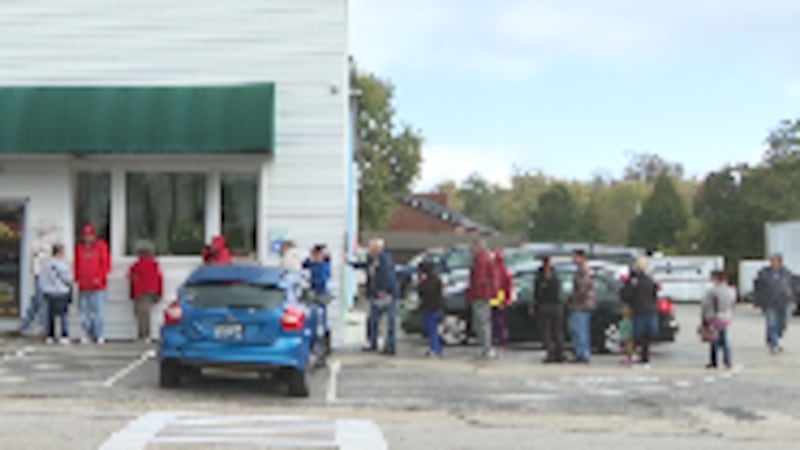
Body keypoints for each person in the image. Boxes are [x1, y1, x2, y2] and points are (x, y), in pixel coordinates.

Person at [351, 238, 399, 355]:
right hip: (376, 294)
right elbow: (364, 265)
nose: (369, 250)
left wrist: (384, 289)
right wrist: (350, 262)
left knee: (389, 321)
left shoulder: (384, 259)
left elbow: (387, 275)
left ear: (378, 249)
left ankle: (390, 346)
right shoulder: (372, 259)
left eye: (371, 248)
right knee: (372, 320)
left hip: (388, 294)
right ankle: (373, 343)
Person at [75, 223, 111, 345]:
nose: (87, 238)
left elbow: (106, 265)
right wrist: (77, 278)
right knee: (84, 314)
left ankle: (99, 334)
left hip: (98, 287)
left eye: (90, 235)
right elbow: (77, 264)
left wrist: (100, 278)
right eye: (85, 235)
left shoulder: (101, 246)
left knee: (98, 313)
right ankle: (88, 333)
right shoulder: (79, 248)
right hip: (83, 286)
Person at [754, 254, 795, 354]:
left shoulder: (786, 273)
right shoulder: (764, 273)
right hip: (769, 302)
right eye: (772, 261)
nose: (774, 263)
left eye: (776, 261)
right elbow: (758, 288)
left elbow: (792, 285)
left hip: (785, 301)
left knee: (782, 323)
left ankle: (773, 337)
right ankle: (774, 345)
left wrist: (793, 298)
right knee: (772, 323)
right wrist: (757, 300)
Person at [620, 257, 659, 365]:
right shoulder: (649, 281)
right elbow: (654, 295)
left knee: (639, 334)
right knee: (646, 334)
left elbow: (625, 295)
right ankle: (643, 355)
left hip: (639, 310)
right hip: (648, 310)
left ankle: (637, 355)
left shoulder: (634, 281)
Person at [467, 239, 497, 359]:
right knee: (480, 322)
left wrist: (477, 293)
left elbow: (480, 279)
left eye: (472, 247)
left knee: (483, 322)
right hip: (481, 294)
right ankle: (485, 347)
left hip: (481, 295)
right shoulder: (481, 259)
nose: (470, 249)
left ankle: (487, 348)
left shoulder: (482, 260)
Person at [128, 242, 163, 342]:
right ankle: (144, 335)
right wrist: (159, 293)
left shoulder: (139, 265)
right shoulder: (154, 265)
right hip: (148, 292)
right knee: (143, 313)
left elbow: (131, 276)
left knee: (142, 314)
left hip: (142, 293)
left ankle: (144, 335)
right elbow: (159, 280)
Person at [39, 244, 73, 345]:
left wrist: (44, 290)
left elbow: (42, 279)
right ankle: (64, 335)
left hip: (50, 292)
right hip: (62, 291)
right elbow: (69, 279)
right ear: (59, 252)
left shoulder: (46, 265)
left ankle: (50, 335)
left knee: (50, 315)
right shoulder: (63, 265)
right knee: (63, 315)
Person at [702, 270, 737, 369]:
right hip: (726, 318)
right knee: (726, 340)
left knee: (714, 341)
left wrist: (706, 319)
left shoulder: (712, 291)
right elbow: (732, 305)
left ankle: (714, 361)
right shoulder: (731, 290)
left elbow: (707, 306)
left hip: (714, 318)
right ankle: (727, 361)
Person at [533, 257, 565, 363]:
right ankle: (558, 354)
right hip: (556, 306)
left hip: (546, 306)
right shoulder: (557, 275)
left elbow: (537, 293)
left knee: (547, 332)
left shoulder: (540, 276)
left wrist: (535, 304)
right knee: (556, 331)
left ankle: (552, 354)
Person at [568, 249, 596, 364]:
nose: (573, 259)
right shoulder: (582, 270)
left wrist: (573, 298)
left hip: (582, 304)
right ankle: (580, 352)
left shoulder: (584, 271)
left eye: (575, 257)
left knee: (580, 329)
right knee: (578, 329)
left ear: (582, 257)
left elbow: (582, 289)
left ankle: (582, 354)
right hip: (582, 304)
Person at [417, 260, 444, 358]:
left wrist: (420, 284)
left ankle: (435, 349)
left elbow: (425, 292)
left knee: (432, 330)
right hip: (435, 307)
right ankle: (437, 348)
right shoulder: (437, 279)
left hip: (431, 308)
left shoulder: (431, 281)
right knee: (434, 330)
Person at [490, 248, 514, 351]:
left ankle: (500, 339)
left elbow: (508, 286)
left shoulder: (501, 271)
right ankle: (498, 339)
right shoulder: (503, 270)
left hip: (498, 297)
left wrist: (507, 298)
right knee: (497, 320)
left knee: (498, 320)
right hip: (496, 297)